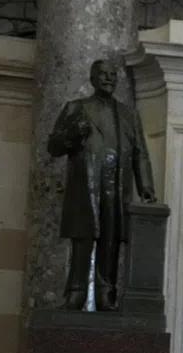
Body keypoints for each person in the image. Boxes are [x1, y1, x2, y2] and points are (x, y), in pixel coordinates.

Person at [47, 57, 156, 310]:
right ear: (93, 78)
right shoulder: (75, 108)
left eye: (112, 75)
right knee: (83, 240)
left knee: (111, 241)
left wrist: (146, 187)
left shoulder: (128, 115)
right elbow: (53, 146)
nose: (109, 78)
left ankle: (106, 293)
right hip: (86, 187)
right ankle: (76, 292)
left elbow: (140, 153)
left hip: (116, 187)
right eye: (103, 74)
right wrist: (72, 135)